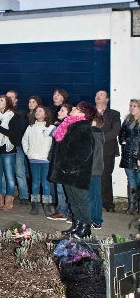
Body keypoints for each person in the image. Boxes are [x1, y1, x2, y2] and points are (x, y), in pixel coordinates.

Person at [49, 101, 97, 239]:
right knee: (72, 200)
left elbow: (83, 153)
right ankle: (77, 225)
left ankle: (85, 227)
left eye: (77, 108)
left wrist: (66, 166)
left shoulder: (82, 128)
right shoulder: (71, 125)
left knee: (81, 200)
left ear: (82, 113)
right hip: (67, 172)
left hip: (76, 172)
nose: (74, 108)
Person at [0, 95, 21, 211]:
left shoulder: (13, 116)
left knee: (9, 176)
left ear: (7, 103)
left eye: (1, 100)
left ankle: (9, 202)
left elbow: (14, 135)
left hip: (8, 150)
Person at [22, 106, 55, 216]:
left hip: (45, 160)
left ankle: (47, 206)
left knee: (45, 183)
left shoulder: (51, 128)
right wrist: (28, 153)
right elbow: (24, 140)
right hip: (33, 159)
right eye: (36, 111)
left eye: (40, 111)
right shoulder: (30, 127)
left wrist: (49, 155)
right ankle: (35, 205)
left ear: (46, 114)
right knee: (35, 182)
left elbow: (55, 143)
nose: (37, 112)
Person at [95, 90, 121, 212]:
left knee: (105, 176)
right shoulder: (90, 113)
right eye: (96, 95)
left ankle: (108, 203)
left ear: (107, 99)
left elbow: (115, 131)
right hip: (92, 150)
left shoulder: (114, 114)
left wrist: (100, 138)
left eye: (101, 95)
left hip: (107, 149)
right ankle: (93, 200)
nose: (98, 97)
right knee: (92, 176)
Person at [47, 103, 73, 222]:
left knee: (69, 189)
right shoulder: (59, 127)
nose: (58, 112)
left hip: (67, 161)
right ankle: (61, 211)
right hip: (58, 160)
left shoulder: (71, 127)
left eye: (62, 110)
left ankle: (73, 212)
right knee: (59, 188)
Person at [6, 90, 29, 205]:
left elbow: (20, 129)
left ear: (16, 100)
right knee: (5, 172)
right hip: (4, 146)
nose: (8, 99)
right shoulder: (0, 112)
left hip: (18, 145)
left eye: (11, 97)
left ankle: (24, 196)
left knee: (20, 172)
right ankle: (4, 195)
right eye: (7, 97)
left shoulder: (21, 112)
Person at [119, 99, 140, 215]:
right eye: (131, 106)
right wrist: (123, 141)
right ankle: (131, 206)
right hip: (128, 154)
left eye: (135, 106)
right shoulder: (127, 120)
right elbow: (121, 133)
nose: (132, 108)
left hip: (138, 155)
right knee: (131, 180)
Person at [90, 113, 104, 228]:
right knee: (93, 195)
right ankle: (93, 218)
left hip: (93, 169)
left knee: (94, 195)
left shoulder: (94, 133)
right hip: (94, 168)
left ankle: (96, 220)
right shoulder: (97, 133)